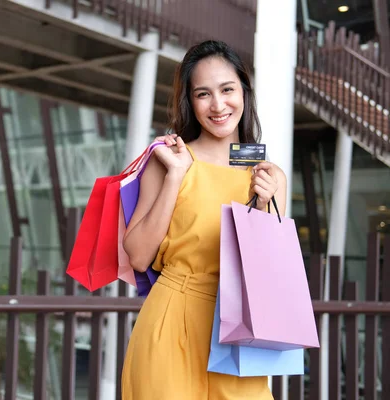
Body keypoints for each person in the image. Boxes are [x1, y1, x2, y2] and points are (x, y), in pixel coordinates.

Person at [120, 40, 287, 399]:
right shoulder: (168, 159)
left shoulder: (268, 174)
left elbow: (266, 271)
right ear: (189, 101)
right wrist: (176, 176)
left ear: (243, 90)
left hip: (239, 332)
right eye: (203, 94)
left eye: (227, 89)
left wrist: (263, 203)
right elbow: (137, 257)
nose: (218, 105)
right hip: (172, 320)